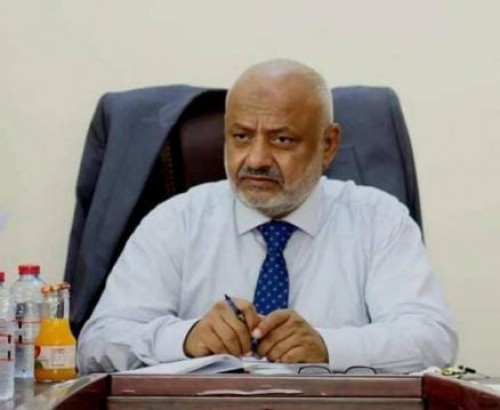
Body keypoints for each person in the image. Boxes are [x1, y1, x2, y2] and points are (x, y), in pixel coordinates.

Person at [77, 59, 457, 374]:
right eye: (241, 137)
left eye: (282, 139)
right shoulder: (176, 222)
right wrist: (185, 338)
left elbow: (433, 339)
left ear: (328, 145)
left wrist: (328, 346)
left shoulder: (379, 220)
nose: (256, 159)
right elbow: (97, 344)